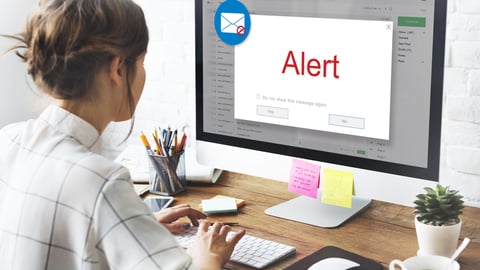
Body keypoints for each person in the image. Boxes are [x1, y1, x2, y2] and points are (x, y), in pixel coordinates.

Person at [0, 0, 245, 269]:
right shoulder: (101, 181)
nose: (143, 73)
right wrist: (209, 254)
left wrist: (132, 225)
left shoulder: (8, 140)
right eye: (141, 62)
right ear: (117, 68)